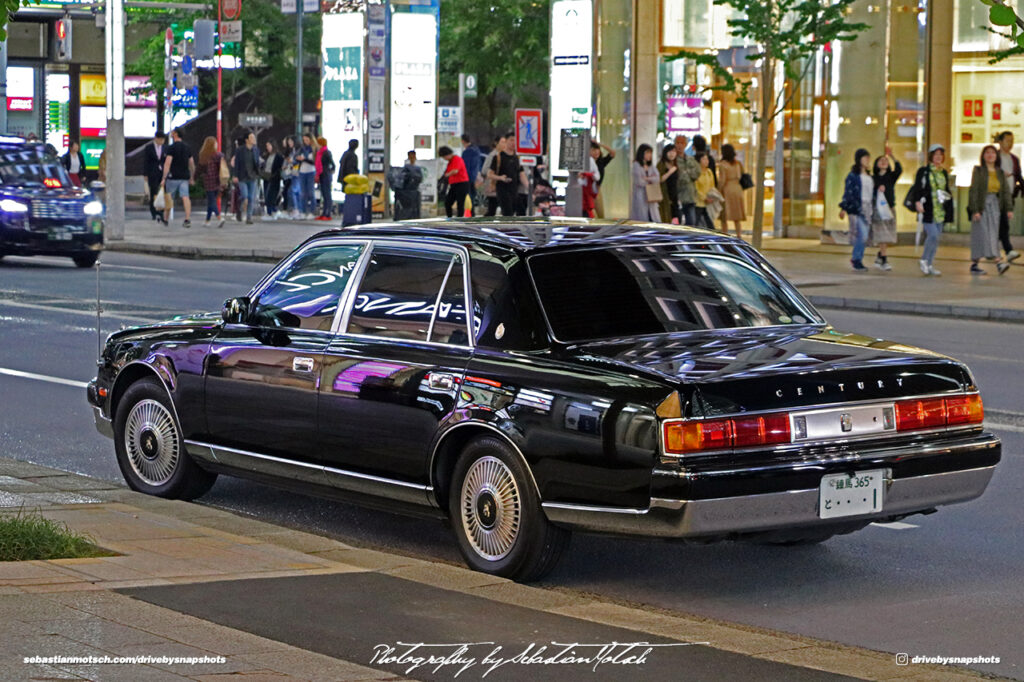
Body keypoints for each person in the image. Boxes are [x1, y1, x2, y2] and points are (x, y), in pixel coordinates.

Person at [907, 143, 955, 276]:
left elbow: (946, 190)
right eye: (936, 155)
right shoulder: (924, 171)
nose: (938, 157)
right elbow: (917, 188)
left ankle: (929, 263)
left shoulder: (944, 173)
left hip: (940, 208)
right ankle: (924, 259)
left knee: (936, 237)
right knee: (932, 234)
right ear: (931, 156)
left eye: (940, 155)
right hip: (927, 208)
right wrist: (917, 201)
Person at [967, 145, 1013, 275]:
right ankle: (998, 262)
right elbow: (974, 190)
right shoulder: (978, 171)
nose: (990, 155)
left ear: (996, 156)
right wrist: (975, 209)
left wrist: (1008, 208)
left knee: (991, 235)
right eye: (987, 153)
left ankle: (975, 264)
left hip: (995, 206)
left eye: (993, 153)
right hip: (981, 205)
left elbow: (1005, 192)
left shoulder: (1000, 172)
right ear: (983, 156)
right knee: (982, 234)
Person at [838, 148, 874, 272]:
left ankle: (858, 258)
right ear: (859, 159)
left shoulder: (869, 176)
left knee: (864, 235)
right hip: (857, 208)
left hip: (868, 208)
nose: (867, 160)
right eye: (865, 158)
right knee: (862, 235)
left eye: (868, 158)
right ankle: (856, 259)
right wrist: (844, 208)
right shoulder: (853, 176)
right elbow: (848, 192)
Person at [870, 147, 902, 271]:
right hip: (878, 209)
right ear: (876, 164)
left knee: (888, 234)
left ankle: (880, 256)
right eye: (881, 160)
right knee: (882, 235)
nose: (883, 162)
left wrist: (892, 156)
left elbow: (899, 169)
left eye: (885, 160)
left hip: (889, 208)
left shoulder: (891, 177)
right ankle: (884, 258)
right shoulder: (873, 178)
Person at [996, 131, 1023, 262]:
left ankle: (994, 249)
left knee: (1001, 223)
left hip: (1010, 195)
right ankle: (1008, 249)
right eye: (1007, 140)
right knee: (1003, 223)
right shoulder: (994, 156)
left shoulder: (1014, 158)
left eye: (1012, 140)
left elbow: (1018, 176)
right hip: (997, 195)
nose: (1010, 143)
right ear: (1000, 142)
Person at [161, 128, 195, 228]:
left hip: (173, 177)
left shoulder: (171, 148)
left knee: (169, 198)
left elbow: (167, 163)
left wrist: (164, 177)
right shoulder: (187, 147)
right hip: (184, 176)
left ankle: (166, 219)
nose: (171, 133)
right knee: (185, 197)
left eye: (173, 132)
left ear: (176, 134)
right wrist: (192, 176)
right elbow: (192, 163)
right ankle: (187, 219)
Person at [488, 136, 526, 216]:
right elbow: (489, 174)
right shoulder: (498, 157)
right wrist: (500, 178)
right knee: (507, 213)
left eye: (515, 141)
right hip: (502, 190)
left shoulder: (517, 158)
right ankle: (508, 228)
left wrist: (530, 188)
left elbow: (521, 175)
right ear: (506, 142)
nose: (513, 143)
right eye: (511, 140)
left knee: (521, 212)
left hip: (515, 190)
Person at [717, 143, 746, 239]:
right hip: (738, 189)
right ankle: (739, 235)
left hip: (727, 190)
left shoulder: (722, 165)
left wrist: (718, 191)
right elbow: (742, 175)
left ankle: (724, 235)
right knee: (737, 216)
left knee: (724, 216)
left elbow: (722, 180)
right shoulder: (738, 164)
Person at [232, 131, 260, 225]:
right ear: (247, 140)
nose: (254, 139)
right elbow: (237, 164)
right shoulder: (240, 150)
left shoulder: (256, 150)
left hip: (252, 176)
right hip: (242, 176)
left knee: (251, 197)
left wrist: (258, 172)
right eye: (252, 138)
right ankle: (240, 209)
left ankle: (249, 217)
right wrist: (235, 175)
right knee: (245, 196)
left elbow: (257, 163)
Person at [198, 136, 225, 228]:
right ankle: (207, 220)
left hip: (208, 181)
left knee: (211, 201)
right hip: (217, 180)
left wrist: (194, 178)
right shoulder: (218, 155)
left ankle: (218, 218)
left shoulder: (203, 155)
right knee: (212, 201)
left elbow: (200, 169)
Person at [673, 135, 701, 225]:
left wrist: (687, 172)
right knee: (679, 224)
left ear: (685, 145)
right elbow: (679, 176)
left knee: (691, 224)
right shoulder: (673, 160)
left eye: (682, 143)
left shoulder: (690, 159)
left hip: (690, 197)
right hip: (678, 197)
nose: (679, 145)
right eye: (677, 143)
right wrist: (686, 174)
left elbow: (697, 172)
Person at [630, 143, 660, 221]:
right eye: (647, 153)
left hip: (651, 195)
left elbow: (657, 178)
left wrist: (647, 178)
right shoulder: (636, 165)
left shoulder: (651, 166)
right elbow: (639, 181)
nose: (649, 155)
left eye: (650, 153)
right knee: (642, 217)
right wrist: (651, 180)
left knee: (653, 216)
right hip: (641, 195)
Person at [440, 145, 470, 218]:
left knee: (460, 203)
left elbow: (455, 171)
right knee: (448, 202)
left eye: (444, 157)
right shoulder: (450, 162)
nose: (444, 159)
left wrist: (447, 174)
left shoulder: (457, 159)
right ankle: (449, 217)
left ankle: (460, 218)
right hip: (454, 184)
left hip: (462, 183)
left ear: (448, 154)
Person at [143, 132, 167, 223]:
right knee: (153, 192)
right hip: (152, 172)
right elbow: (146, 161)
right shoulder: (149, 148)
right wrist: (145, 174)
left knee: (162, 191)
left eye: (163, 140)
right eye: (160, 139)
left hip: (162, 173)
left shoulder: (165, 148)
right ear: (156, 138)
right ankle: (153, 212)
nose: (162, 141)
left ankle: (160, 211)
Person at [590, 141, 616, 218]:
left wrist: (600, 144)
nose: (596, 152)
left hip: (597, 191)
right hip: (587, 191)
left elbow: (612, 153)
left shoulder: (600, 162)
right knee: (590, 214)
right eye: (593, 150)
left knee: (600, 215)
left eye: (597, 149)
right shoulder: (587, 163)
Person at [480, 135, 504, 216]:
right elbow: (484, 170)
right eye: (502, 142)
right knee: (492, 209)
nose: (504, 144)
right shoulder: (493, 155)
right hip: (492, 186)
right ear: (496, 143)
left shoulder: (504, 155)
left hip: (501, 187)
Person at [296, 133, 318, 219]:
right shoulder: (302, 149)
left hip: (311, 171)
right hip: (302, 171)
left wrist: (304, 159)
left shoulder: (314, 149)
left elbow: (314, 162)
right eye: (304, 140)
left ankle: (312, 212)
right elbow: (297, 158)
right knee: (302, 193)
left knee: (311, 192)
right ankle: (302, 211)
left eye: (307, 140)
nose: (305, 142)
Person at [657, 145, 680, 224]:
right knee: (666, 217)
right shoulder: (661, 164)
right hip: (664, 196)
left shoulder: (675, 165)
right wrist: (670, 172)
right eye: (670, 151)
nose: (672, 154)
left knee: (676, 218)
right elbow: (659, 179)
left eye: (674, 151)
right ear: (665, 153)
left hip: (674, 197)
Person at [261, 140, 284, 220]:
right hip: (266, 176)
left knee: (271, 195)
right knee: (266, 194)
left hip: (274, 177)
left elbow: (279, 167)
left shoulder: (278, 156)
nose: (267, 148)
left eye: (269, 146)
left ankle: (271, 211)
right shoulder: (266, 155)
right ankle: (270, 211)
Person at [694, 151, 717, 230]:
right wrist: (704, 198)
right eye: (703, 159)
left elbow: (712, 186)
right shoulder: (696, 173)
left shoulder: (709, 172)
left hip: (708, 202)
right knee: (695, 224)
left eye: (707, 159)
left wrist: (712, 196)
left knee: (710, 224)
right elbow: (695, 188)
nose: (706, 161)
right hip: (698, 202)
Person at [461, 134, 483, 214]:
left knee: (468, 196)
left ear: (463, 141)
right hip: (475, 176)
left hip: (467, 177)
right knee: (472, 196)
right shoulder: (476, 150)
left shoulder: (466, 152)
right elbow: (478, 164)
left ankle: (470, 212)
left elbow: (465, 166)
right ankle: (472, 212)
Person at [316, 137, 335, 220]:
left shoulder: (326, 152)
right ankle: (324, 212)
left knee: (327, 195)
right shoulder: (319, 153)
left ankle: (328, 213)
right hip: (322, 175)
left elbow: (332, 164)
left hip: (326, 175)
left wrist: (330, 171)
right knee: (324, 194)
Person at [281, 136, 298, 217]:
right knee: (287, 192)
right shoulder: (289, 151)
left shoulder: (296, 151)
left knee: (291, 191)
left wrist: (292, 161)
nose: (289, 143)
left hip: (294, 173)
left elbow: (296, 161)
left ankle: (294, 209)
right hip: (287, 174)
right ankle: (289, 209)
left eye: (291, 142)